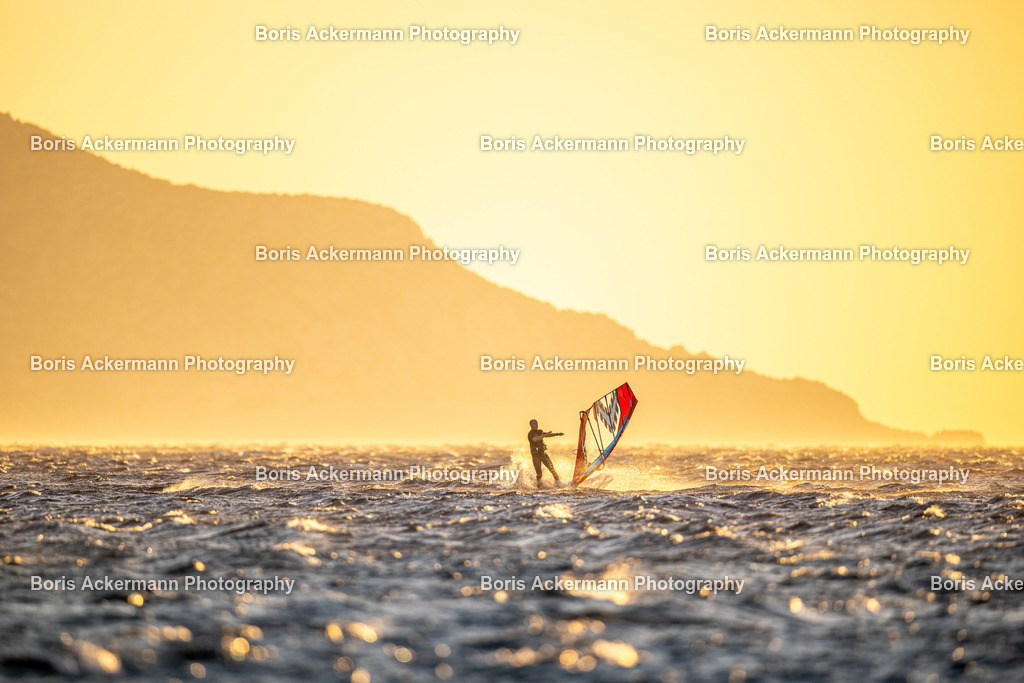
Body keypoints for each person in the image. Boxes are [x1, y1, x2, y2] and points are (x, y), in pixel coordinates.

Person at [527, 419, 563, 484]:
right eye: (535, 423)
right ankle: (538, 485)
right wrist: (544, 436)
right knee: (539, 474)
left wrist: (557, 434)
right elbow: (535, 439)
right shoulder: (530, 434)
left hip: (543, 454)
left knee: (553, 471)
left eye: (537, 423)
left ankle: (559, 485)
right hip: (536, 456)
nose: (536, 425)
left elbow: (548, 434)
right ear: (531, 425)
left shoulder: (540, 431)